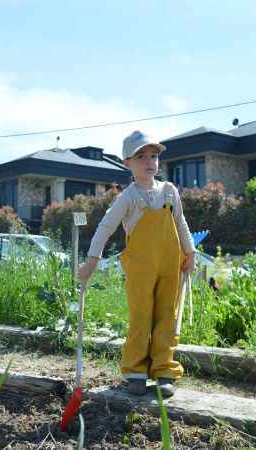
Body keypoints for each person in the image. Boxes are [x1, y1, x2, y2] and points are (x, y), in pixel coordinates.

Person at [78, 130, 195, 397]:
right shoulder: (129, 197)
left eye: (153, 156)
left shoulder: (169, 192)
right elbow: (105, 228)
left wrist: (190, 252)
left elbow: (180, 222)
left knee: (167, 315)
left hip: (169, 264)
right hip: (141, 268)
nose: (149, 162)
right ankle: (136, 371)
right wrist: (91, 262)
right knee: (141, 316)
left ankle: (164, 370)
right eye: (141, 157)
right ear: (127, 163)